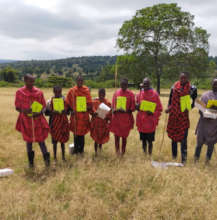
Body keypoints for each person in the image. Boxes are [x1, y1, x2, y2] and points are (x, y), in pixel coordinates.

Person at [15, 74, 50, 168]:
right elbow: (17, 107)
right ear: (25, 80)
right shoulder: (19, 92)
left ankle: (47, 163)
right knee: (28, 141)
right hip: (26, 121)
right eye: (30, 81)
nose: (32, 83)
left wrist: (38, 113)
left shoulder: (39, 92)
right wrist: (23, 111)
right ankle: (31, 163)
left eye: (33, 81)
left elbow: (43, 107)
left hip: (38, 120)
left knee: (41, 141)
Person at [166, 72, 196, 163]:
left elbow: (194, 103)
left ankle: (184, 160)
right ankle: (174, 157)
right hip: (173, 116)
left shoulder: (192, 89)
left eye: (184, 78)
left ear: (187, 78)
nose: (182, 79)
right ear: (179, 78)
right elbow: (170, 100)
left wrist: (188, 107)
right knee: (173, 138)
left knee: (183, 139)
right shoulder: (174, 87)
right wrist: (168, 108)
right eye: (181, 78)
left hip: (183, 118)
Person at [136, 78, 162, 155]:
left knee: (150, 141)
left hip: (150, 121)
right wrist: (137, 106)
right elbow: (136, 106)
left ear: (149, 84)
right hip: (142, 121)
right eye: (144, 84)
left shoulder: (155, 94)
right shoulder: (139, 94)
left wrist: (152, 112)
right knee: (143, 141)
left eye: (147, 84)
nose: (145, 85)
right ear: (142, 84)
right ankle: (145, 154)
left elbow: (159, 108)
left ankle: (150, 154)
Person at [66, 75, 92, 154]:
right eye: (78, 80)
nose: (80, 82)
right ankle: (76, 150)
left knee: (82, 135)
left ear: (83, 81)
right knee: (75, 134)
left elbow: (90, 104)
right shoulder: (72, 91)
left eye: (81, 80)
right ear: (76, 81)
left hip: (83, 116)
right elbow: (67, 103)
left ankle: (81, 150)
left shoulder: (86, 90)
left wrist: (85, 108)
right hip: (75, 117)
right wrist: (71, 110)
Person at [110, 78, 135, 156]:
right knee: (116, 137)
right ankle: (117, 152)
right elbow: (112, 107)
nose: (123, 86)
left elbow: (133, 108)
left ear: (127, 85)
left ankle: (123, 153)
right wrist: (115, 110)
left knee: (124, 137)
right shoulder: (116, 93)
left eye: (125, 84)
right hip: (117, 119)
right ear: (120, 84)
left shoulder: (131, 94)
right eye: (122, 84)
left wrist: (126, 110)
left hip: (126, 119)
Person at [194, 78, 217, 164]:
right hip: (204, 123)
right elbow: (200, 110)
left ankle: (207, 162)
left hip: (214, 125)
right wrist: (208, 111)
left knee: (211, 144)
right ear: (211, 84)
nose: (216, 86)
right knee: (199, 143)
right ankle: (195, 160)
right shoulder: (205, 95)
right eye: (214, 84)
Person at [45, 85, 70, 161]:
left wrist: (64, 111)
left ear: (61, 91)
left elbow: (68, 112)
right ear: (53, 92)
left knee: (62, 141)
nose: (58, 93)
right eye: (56, 92)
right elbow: (46, 113)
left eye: (59, 92)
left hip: (63, 123)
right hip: (54, 124)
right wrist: (53, 112)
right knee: (55, 142)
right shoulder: (49, 101)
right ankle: (55, 157)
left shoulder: (65, 100)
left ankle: (63, 157)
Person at [90, 88, 111, 155]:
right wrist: (94, 113)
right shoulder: (94, 101)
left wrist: (107, 116)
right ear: (98, 94)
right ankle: (96, 152)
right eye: (100, 94)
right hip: (96, 123)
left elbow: (109, 113)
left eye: (103, 94)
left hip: (103, 123)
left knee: (101, 138)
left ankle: (100, 149)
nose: (101, 95)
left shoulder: (107, 102)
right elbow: (91, 111)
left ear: (105, 94)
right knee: (96, 138)